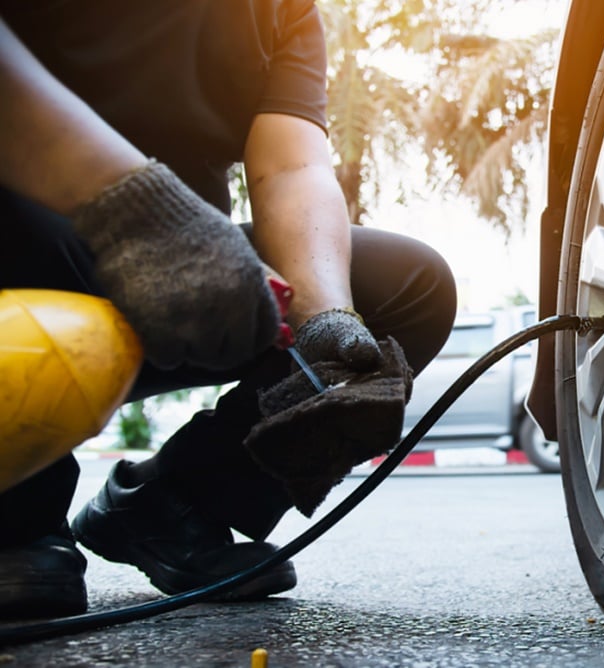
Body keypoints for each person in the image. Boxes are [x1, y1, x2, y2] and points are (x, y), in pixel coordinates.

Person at [0, 0, 457, 618]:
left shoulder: (282, 12)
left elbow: (292, 166)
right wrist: (136, 211)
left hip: (181, 279)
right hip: (29, 254)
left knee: (409, 287)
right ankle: (18, 518)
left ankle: (175, 504)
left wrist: (327, 321)